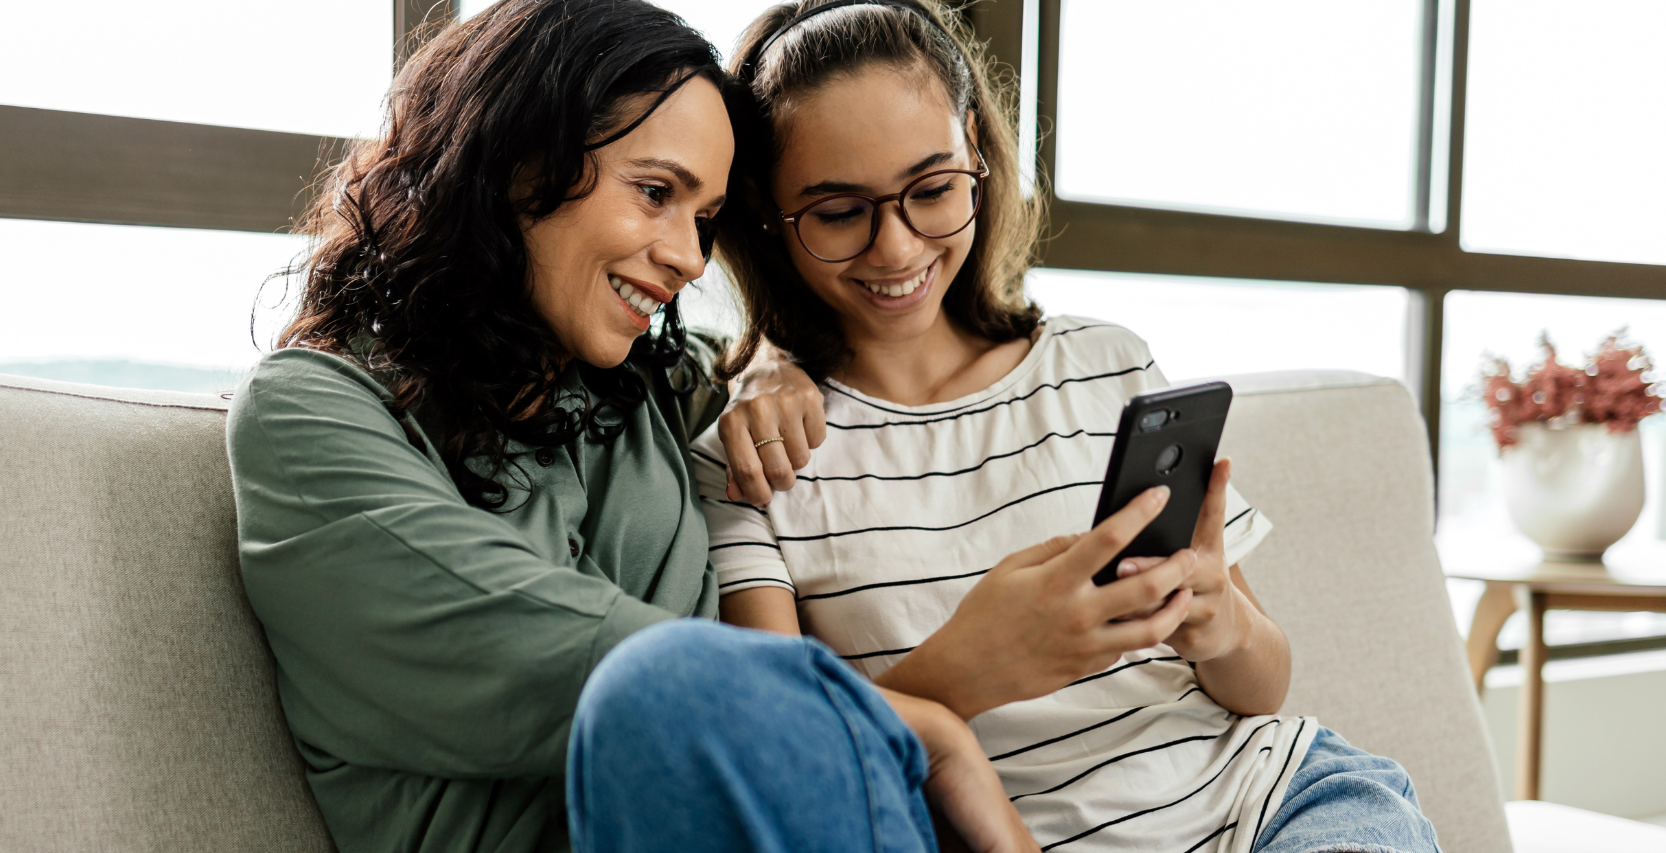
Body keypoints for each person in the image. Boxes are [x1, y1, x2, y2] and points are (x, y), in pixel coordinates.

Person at [227, 2, 1197, 851]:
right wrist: (932, 714)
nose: (688, 258)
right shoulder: (311, 415)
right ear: (514, 162)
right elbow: (657, 688)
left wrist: (770, 359)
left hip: (813, 819)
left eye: (707, 217)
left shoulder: (655, 391)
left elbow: (765, 382)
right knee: (672, 680)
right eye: (655, 193)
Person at [689, 2, 1443, 852]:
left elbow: (1261, 686)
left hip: (1282, 804)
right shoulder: (755, 460)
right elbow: (788, 763)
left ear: (975, 150)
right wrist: (969, 666)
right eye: (838, 211)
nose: (897, 248)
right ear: (762, 206)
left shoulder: (1106, 365)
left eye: (932, 190)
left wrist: (1217, 619)